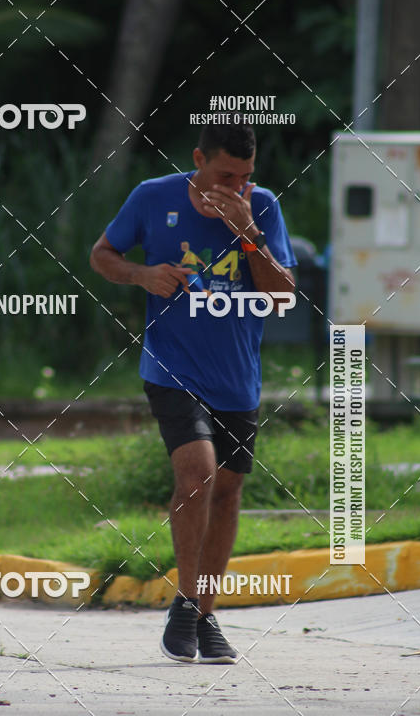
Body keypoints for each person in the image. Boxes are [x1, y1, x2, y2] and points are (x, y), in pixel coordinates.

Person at [90, 122, 297, 664]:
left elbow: (282, 295)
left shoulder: (263, 207)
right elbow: (103, 254)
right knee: (197, 471)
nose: (236, 185)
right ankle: (185, 603)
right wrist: (141, 275)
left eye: (246, 176)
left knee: (227, 491)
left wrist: (248, 232)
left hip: (236, 376)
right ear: (198, 159)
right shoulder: (153, 197)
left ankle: (205, 612)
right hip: (171, 366)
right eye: (226, 174)